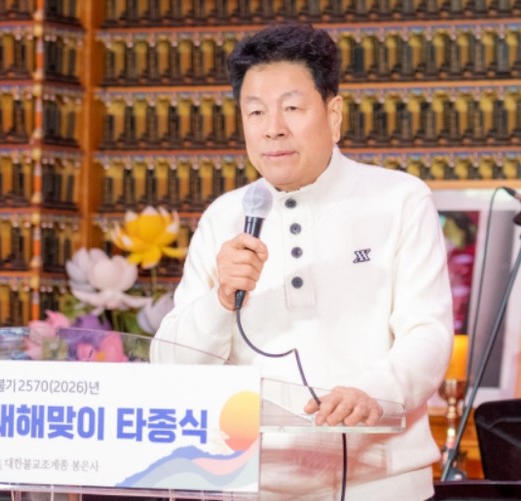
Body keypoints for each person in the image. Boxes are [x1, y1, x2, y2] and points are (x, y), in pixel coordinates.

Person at [151, 22, 454, 501]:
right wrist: (219, 300)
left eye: (292, 108)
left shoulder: (398, 200)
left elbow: (428, 333)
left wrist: (373, 392)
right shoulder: (224, 217)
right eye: (255, 111)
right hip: (249, 484)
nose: (273, 127)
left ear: (334, 115)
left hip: (381, 483)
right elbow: (170, 365)